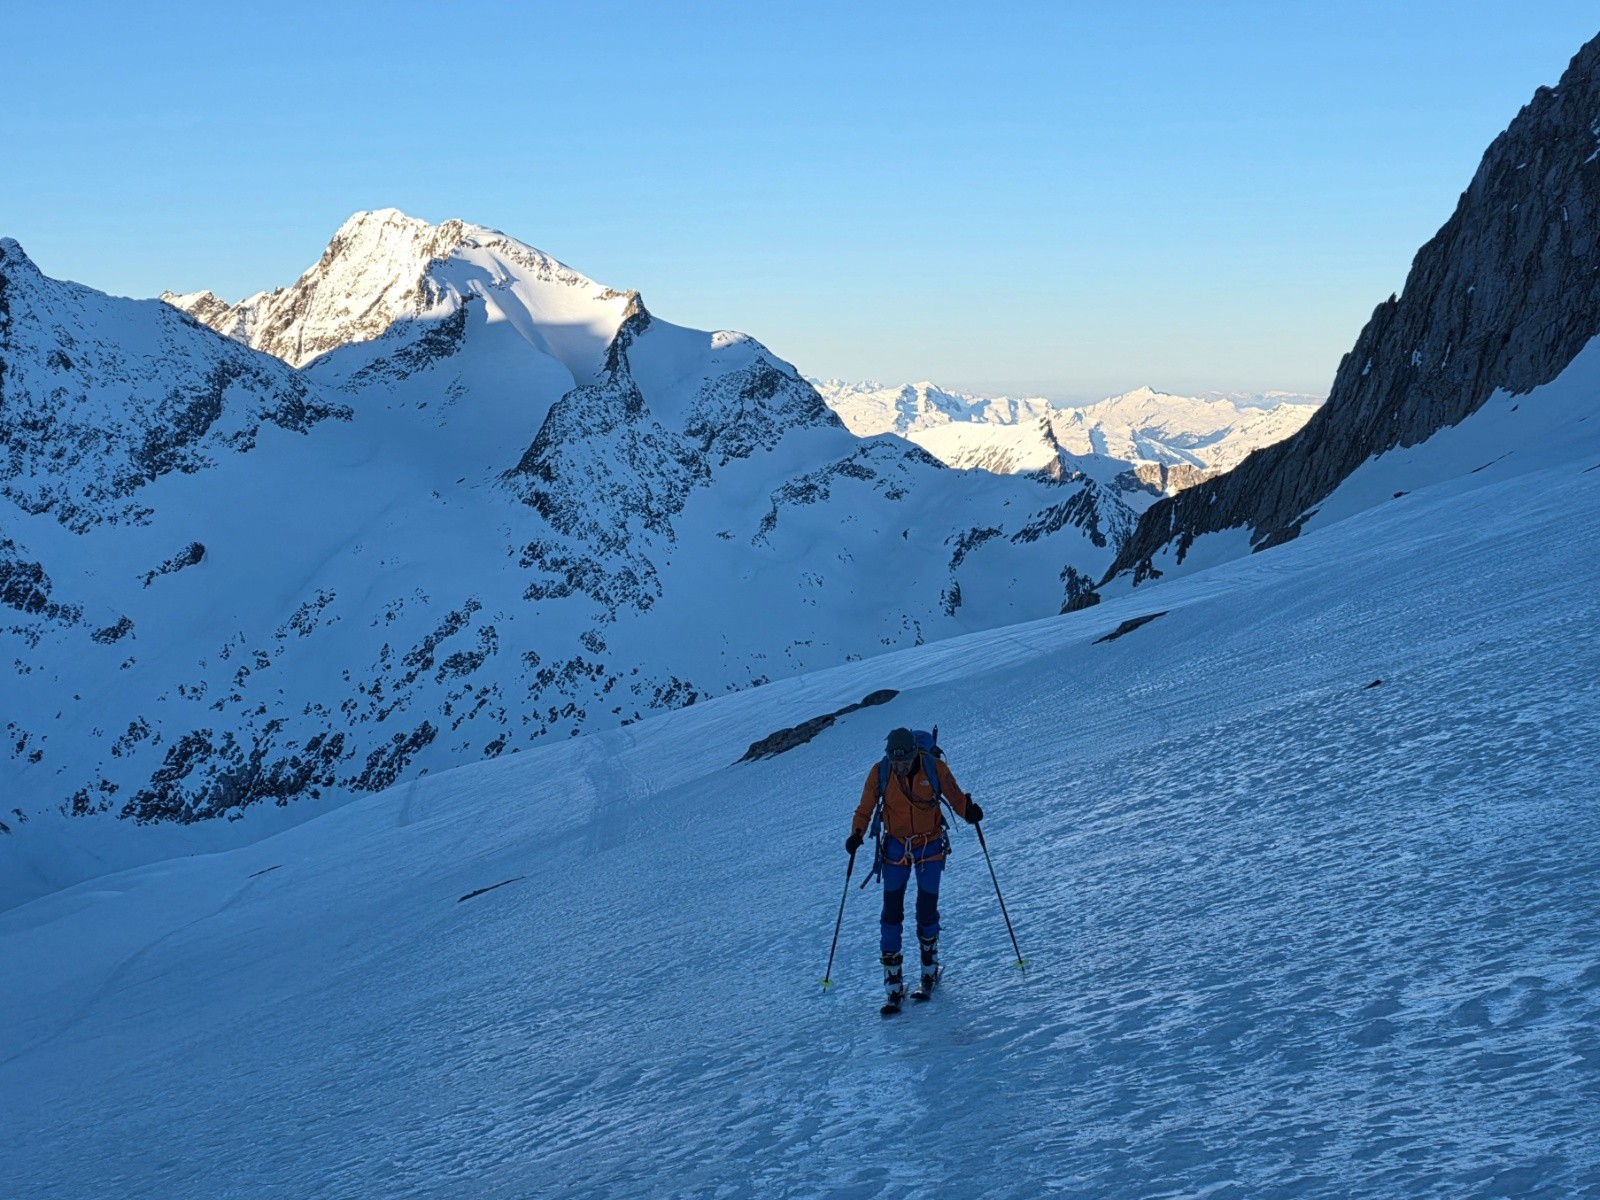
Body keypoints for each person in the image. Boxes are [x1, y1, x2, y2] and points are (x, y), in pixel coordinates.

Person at [846, 727, 983, 1004]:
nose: (899, 767)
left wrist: (969, 812)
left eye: (904, 761)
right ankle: (894, 981)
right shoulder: (880, 772)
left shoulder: (935, 768)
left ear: (914, 754)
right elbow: (865, 807)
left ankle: (928, 971)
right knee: (891, 913)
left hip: (929, 846)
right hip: (897, 849)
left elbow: (956, 797)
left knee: (926, 908)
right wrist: (856, 834)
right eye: (895, 762)